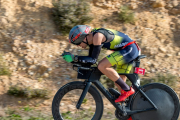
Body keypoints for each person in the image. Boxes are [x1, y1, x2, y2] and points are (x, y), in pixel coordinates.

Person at [63, 25, 140, 103]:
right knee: (119, 84)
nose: (78, 45)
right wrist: (74, 60)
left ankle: (127, 89)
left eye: (77, 42)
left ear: (83, 37)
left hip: (129, 49)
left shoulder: (97, 36)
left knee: (102, 66)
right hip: (126, 50)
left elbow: (93, 60)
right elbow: (89, 60)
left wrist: (75, 58)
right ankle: (131, 111)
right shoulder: (92, 39)